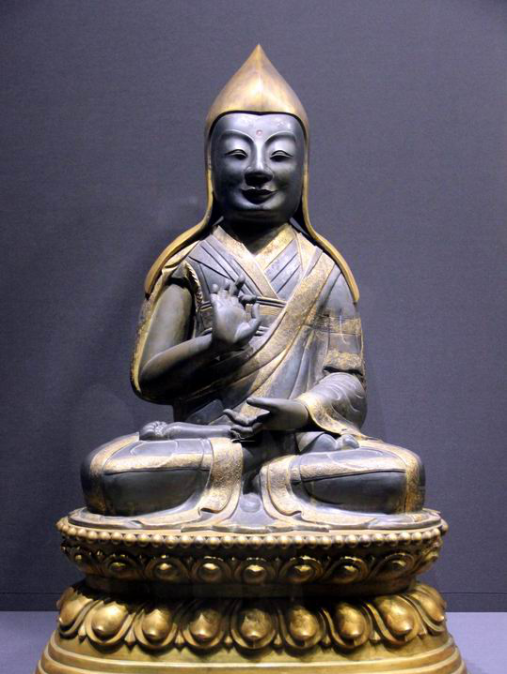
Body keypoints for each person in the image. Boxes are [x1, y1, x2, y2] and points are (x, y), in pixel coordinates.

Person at [81, 47, 424, 529]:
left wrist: (298, 410)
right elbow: (148, 380)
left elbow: (349, 383)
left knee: (400, 475)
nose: (259, 169)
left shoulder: (323, 270)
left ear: (302, 172)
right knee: (109, 474)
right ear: (211, 169)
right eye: (238, 154)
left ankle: (265, 485)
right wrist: (211, 344)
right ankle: (268, 492)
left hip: (297, 445)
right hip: (207, 442)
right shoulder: (191, 263)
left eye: (279, 155)